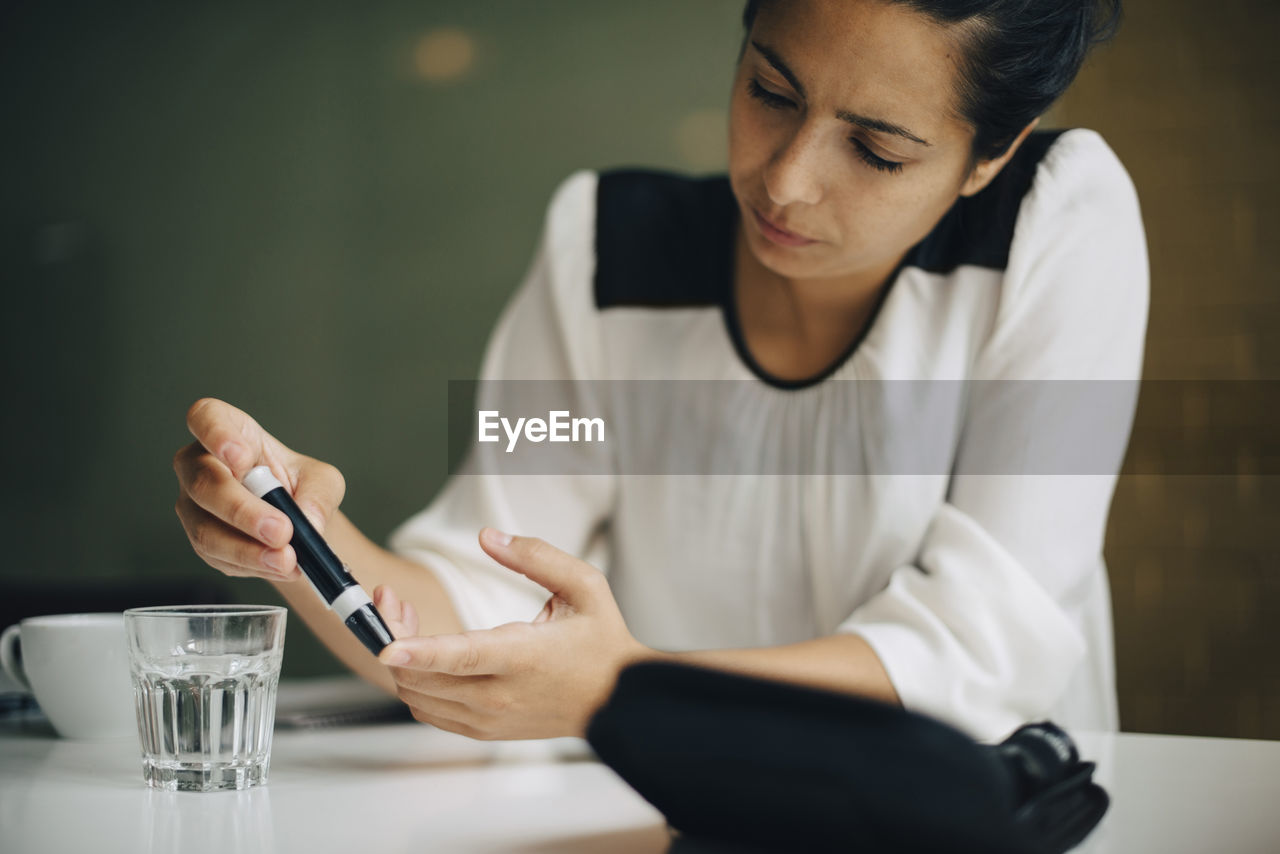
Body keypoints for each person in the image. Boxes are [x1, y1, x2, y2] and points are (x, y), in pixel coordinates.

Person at [173, 0, 1145, 743]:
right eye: (769, 90)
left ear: (989, 155)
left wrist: (625, 687)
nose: (786, 179)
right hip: (668, 819)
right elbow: (475, 596)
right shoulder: (604, 257)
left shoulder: (1054, 223)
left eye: (876, 150)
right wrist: (297, 535)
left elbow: (982, 642)